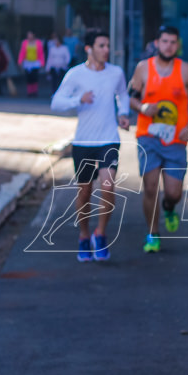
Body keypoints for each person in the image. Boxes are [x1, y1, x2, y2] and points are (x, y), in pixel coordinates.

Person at [51, 30, 130, 261]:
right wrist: (78, 100)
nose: (106, 50)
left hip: (109, 139)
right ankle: (84, 235)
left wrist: (123, 113)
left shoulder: (116, 73)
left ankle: (101, 233)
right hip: (84, 141)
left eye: (107, 45)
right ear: (89, 48)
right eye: (101, 45)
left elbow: (122, 94)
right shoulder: (75, 75)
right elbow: (56, 102)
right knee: (85, 192)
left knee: (108, 187)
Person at [128, 26, 188, 253]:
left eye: (172, 42)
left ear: (177, 45)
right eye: (165, 41)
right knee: (150, 188)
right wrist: (142, 107)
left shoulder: (185, 70)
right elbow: (130, 97)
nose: (168, 46)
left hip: (175, 140)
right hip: (148, 137)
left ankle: (169, 207)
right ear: (157, 43)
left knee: (173, 192)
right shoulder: (143, 68)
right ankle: (153, 234)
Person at [18, 31, 46, 97]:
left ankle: (34, 91)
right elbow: (22, 52)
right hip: (27, 62)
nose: (29, 37)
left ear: (33, 35)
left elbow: (41, 53)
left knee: (34, 77)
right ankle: (29, 91)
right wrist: (20, 61)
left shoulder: (38, 43)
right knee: (28, 77)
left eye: (30, 35)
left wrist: (42, 62)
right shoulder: (24, 43)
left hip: (35, 63)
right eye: (28, 35)